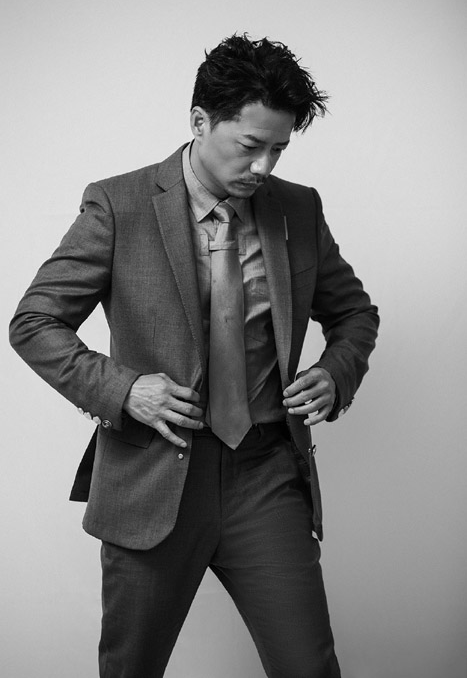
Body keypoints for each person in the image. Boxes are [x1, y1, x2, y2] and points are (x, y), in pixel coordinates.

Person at [9, 34, 379, 678]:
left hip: (265, 473)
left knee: (309, 666)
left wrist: (335, 373)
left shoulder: (297, 208)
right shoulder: (119, 205)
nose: (263, 165)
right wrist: (124, 389)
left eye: (279, 149)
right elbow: (34, 322)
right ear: (200, 121)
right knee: (131, 669)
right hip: (154, 478)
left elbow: (354, 314)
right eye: (250, 144)